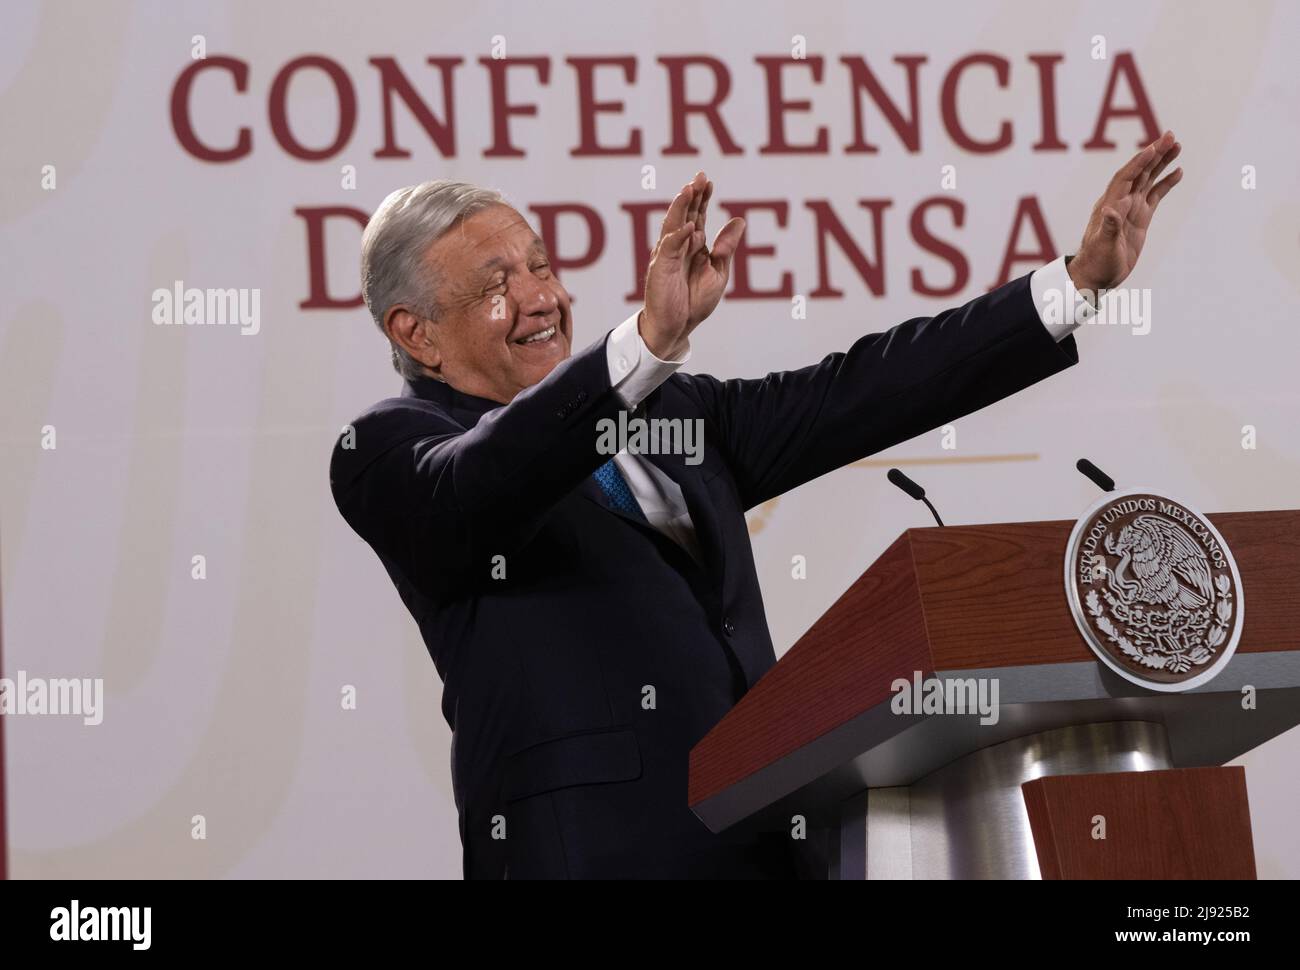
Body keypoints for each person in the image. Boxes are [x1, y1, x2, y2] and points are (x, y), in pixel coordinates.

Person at [329, 133, 1183, 878]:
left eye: (542, 265)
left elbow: (864, 389)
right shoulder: (391, 451)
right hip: (589, 856)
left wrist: (1073, 286)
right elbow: (491, 481)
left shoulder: (676, 414)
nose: (541, 296)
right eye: (496, 284)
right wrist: (643, 347)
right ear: (416, 333)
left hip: (769, 841)